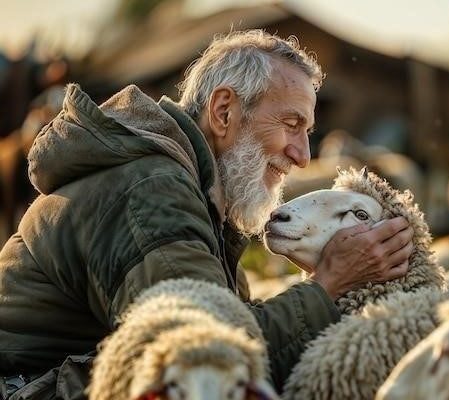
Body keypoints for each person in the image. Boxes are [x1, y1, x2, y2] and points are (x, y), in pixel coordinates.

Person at [0, 30, 413, 399]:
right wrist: (329, 284)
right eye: (291, 124)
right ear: (223, 111)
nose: (303, 156)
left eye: (307, 132)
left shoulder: (194, 193)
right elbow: (208, 356)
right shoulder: (152, 191)